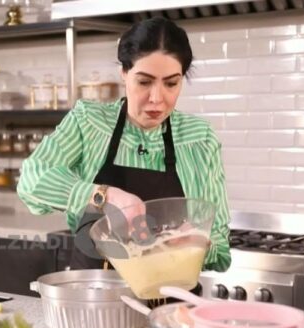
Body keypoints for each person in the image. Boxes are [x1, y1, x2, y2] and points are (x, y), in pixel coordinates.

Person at [17, 17, 231, 272]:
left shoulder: (200, 138)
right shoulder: (89, 121)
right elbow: (32, 180)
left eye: (171, 83)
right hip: (95, 290)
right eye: (144, 82)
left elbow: (220, 248)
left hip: (169, 293)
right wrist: (104, 196)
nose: (156, 98)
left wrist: (195, 245)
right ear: (124, 73)